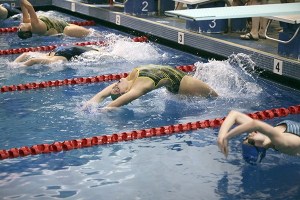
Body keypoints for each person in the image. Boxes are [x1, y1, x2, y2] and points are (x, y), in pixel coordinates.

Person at [84, 65, 218, 109]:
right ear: (126, 92)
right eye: (117, 88)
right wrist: (105, 109)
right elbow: (123, 100)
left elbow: (105, 93)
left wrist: (92, 101)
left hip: (178, 76)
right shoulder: (140, 86)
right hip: (182, 84)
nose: (117, 83)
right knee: (216, 98)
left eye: (116, 84)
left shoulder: (130, 78)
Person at [217, 110, 300, 164]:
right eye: (250, 141)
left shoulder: (262, 134)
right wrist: (227, 137)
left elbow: (234, 114)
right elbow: (256, 124)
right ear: (260, 148)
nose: (249, 135)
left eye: (246, 138)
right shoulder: (283, 143)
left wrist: (221, 136)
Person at [17, 0, 91, 39]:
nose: (18, 27)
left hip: (63, 24)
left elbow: (23, 5)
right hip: (65, 30)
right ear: (26, 32)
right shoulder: (35, 27)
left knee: (91, 33)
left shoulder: (26, 22)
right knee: (91, 34)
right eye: (20, 29)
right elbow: (30, 7)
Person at [13, 45, 100, 66]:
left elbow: (29, 56)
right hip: (66, 50)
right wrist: (21, 65)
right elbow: (33, 60)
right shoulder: (55, 57)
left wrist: (15, 64)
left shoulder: (52, 56)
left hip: (60, 50)